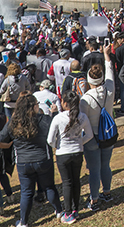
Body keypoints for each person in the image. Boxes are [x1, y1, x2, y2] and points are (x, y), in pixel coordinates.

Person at [0, 95, 63, 227]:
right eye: (37, 104)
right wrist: (55, 113)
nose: (38, 106)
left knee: (26, 192)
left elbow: (1, 138)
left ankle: (24, 222)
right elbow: (56, 129)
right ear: (33, 106)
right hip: (43, 159)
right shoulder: (43, 119)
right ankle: (59, 212)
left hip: (23, 162)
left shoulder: (13, 123)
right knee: (49, 187)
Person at [79, 44, 115, 210]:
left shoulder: (85, 99)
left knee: (94, 169)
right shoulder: (109, 90)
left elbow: (82, 119)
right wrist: (106, 56)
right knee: (105, 165)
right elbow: (110, 73)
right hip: (107, 135)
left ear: (88, 80)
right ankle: (106, 193)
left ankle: (94, 199)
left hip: (92, 136)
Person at [48, 90, 92, 224]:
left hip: (63, 154)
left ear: (65, 103)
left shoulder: (58, 118)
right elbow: (89, 135)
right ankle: (75, 210)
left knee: (67, 183)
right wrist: (79, 142)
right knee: (76, 180)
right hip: (78, 152)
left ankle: (67, 213)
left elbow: (50, 140)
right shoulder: (83, 116)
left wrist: (58, 145)